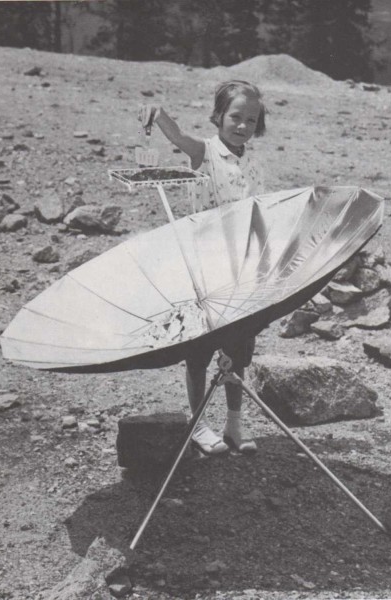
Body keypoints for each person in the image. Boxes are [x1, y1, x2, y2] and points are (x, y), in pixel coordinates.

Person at [138, 80, 267, 456]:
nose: (242, 126)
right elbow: (179, 138)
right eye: (235, 117)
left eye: (251, 120)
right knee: (199, 353)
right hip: (203, 268)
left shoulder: (253, 164)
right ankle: (198, 425)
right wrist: (159, 116)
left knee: (237, 351)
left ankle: (234, 424)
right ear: (219, 116)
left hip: (239, 270)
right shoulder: (206, 152)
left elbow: (259, 214)